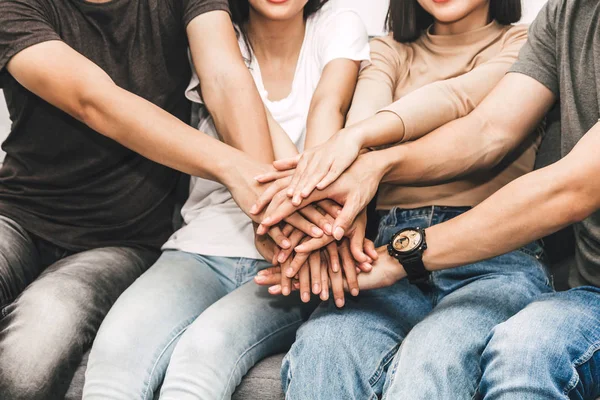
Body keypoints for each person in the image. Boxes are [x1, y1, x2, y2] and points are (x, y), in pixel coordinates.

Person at [0, 0, 329, 397]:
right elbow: (92, 100)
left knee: (29, 356)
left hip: (118, 239)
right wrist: (235, 170)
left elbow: (224, 75)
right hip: (16, 217)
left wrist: (265, 209)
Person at [253, 0, 555, 398]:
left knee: (434, 358)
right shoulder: (388, 50)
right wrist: (335, 222)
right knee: (323, 348)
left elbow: (457, 99)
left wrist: (360, 143)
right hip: (384, 250)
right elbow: (362, 118)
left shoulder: (528, 43)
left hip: (492, 256)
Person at [82, 1, 370, 399]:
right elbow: (239, 100)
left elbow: (328, 110)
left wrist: (310, 208)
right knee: (115, 357)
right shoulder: (212, 29)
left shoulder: (337, 26)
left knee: (202, 355)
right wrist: (304, 195)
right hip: (200, 247)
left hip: (294, 256)